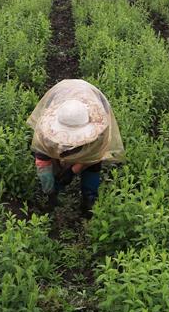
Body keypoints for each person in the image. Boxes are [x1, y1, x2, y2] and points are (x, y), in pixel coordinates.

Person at [27, 79, 124, 218]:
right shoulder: (45, 132)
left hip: (89, 98)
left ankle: (89, 199)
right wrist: (49, 189)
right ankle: (52, 195)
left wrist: (72, 171)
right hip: (62, 97)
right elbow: (42, 159)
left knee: (92, 165)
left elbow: (94, 155)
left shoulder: (99, 128)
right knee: (53, 164)